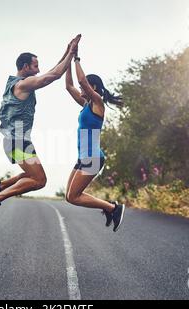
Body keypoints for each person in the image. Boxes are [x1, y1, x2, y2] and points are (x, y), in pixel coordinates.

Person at [0, 35, 82, 220]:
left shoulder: (15, 83)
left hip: (13, 140)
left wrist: (68, 51)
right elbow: (53, 76)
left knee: (30, 176)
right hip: (18, 140)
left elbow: (53, 71)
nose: (38, 69)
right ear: (25, 67)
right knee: (39, 180)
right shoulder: (24, 84)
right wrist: (70, 53)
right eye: (35, 66)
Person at [64, 50, 126, 232]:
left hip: (93, 157)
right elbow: (69, 86)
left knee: (75, 196)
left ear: (94, 89)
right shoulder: (85, 105)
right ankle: (109, 208)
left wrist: (76, 58)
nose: (81, 89)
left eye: (85, 88)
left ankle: (113, 208)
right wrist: (67, 59)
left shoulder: (97, 103)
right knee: (69, 196)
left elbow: (82, 81)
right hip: (84, 157)